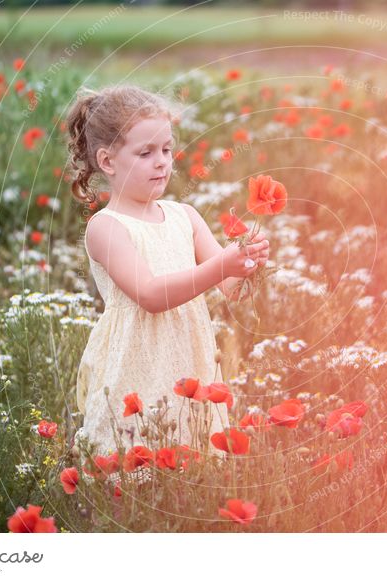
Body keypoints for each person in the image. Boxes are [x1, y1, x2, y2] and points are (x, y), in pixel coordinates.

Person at [64, 84, 269, 482]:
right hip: (136, 362)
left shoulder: (184, 217)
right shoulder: (106, 228)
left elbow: (232, 290)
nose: (161, 163)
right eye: (145, 153)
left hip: (187, 356)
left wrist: (249, 264)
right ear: (107, 161)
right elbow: (152, 296)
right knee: (135, 469)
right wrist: (223, 264)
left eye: (166, 150)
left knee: (191, 466)